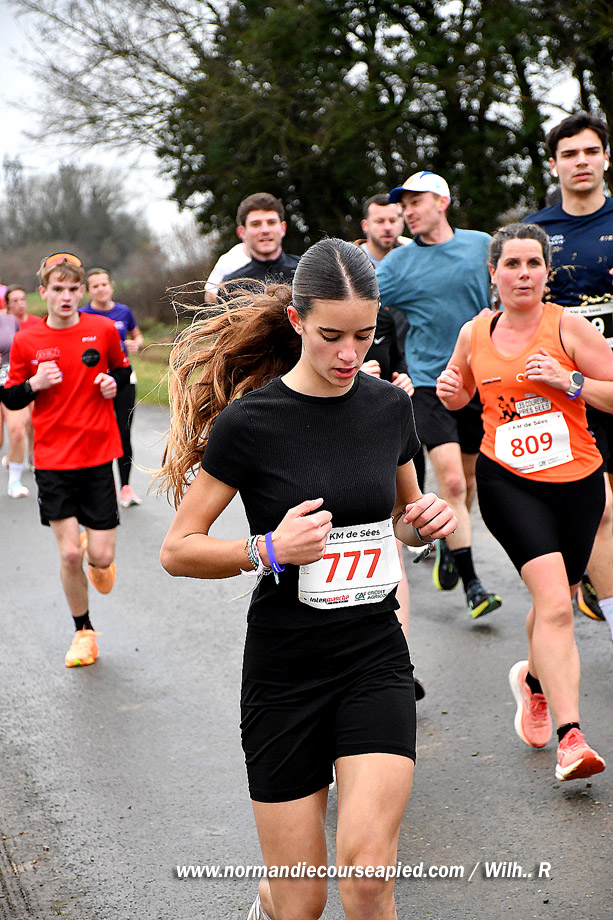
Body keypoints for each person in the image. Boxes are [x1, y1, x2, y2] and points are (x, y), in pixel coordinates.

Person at [159, 238, 456, 920]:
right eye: (331, 336)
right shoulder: (250, 423)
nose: (349, 354)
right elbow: (178, 549)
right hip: (285, 670)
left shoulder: (388, 409)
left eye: (363, 335)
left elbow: (402, 517)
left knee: (368, 878)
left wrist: (424, 521)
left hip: (373, 657)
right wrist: (267, 548)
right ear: (296, 322)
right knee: (299, 901)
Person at [437, 222, 613, 781]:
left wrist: (570, 381)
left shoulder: (569, 327)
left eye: (533, 263)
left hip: (578, 482)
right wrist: (451, 393)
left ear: (546, 272)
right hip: (509, 481)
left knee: (557, 595)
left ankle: (534, 681)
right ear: (493, 274)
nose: (523, 274)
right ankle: (571, 738)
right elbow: (461, 393)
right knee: (557, 605)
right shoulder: (474, 332)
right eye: (511, 264)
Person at [377, 170, 501, 619]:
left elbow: (509, 292)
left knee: (468, 482)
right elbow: (361, 302)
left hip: (478, 382)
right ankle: (473, 586)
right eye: (404, 205)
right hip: (429, 383)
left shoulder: (481, 245)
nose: (407, 212)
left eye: (416, 202)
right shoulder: (398, 264)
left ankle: (450, 544)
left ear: (442, 202)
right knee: (451, 482)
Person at [3, 253, 130, 668]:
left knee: (102, 558)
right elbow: (11, 396)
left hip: (97, 455)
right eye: (58, 289)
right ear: (43, 292)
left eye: (74, 289)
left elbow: (123, 373)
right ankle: (83, 632)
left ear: (82, 292)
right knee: (70, 555)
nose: (66, 296)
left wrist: (112, 384)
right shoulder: (27, 340)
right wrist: (34, 384)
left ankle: (98, 557)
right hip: (53, 459)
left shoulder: (103, 329)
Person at [523, 112, 613, 637]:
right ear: (554, 164)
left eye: (590, 151)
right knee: (600, 510)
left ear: (606, 158)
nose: (581, 162)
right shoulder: (538, 232)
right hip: (567, 391)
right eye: (570, 154)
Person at [80, 268, 144, 507]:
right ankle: (95, 486)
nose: (101, 289)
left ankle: (126, 488)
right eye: (95, 286)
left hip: (123, 377)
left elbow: (137, 336)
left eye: (104, 284)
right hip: (94, 381)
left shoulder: (123, 311)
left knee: (123, 432)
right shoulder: (82, 314)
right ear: (88, 291)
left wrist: (136, 344)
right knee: (95, 432)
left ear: (111, 286)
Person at [221, 193, 300, 288]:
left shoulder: (307, 272)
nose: (265, 230)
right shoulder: (232, 285)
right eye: (256, 224)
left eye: (271, 222)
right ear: (242, 232)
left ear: (283, 228)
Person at [5, 285, 43, 471]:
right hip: (10, 380)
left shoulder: (37, 323)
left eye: (22, 299)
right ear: (7, 305)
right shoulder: (5, 324)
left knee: (33, 420)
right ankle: (13, 454)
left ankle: (31, 454)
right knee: (17, 425)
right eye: (15, 301)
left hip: (34, 378)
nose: (20, 304)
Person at [0, 308, 30, 497]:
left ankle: (15, 481)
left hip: (11, 381)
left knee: (18, 431)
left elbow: (21, 349)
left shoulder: (10, 321)